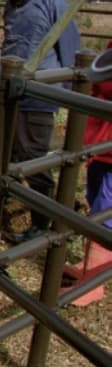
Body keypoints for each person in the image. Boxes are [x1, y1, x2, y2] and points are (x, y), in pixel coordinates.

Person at [0, 0, 80, 243]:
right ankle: (1, 201)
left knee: (33, 159)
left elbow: (71, 51)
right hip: (11, 91)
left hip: (38, 95)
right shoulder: (14, 4)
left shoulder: (52, 3)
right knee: (7, 152)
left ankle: (42, 224)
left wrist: (67, 95)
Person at [62, 44, 112, 305]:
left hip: (109, 146)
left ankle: (93, 285)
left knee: (106, 212)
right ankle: (88, 269)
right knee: (97, 204)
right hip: (101, 142)